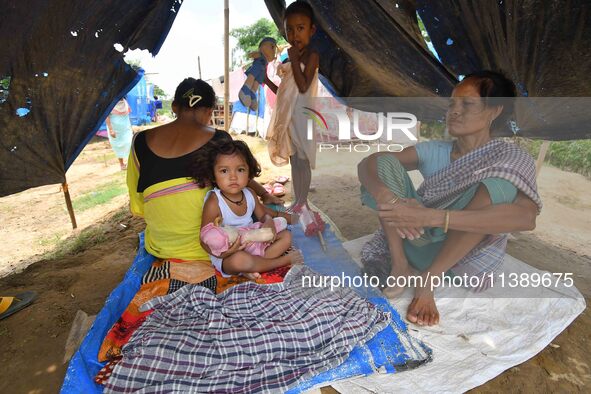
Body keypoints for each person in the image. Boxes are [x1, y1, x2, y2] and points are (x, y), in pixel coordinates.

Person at [98, 77, 284, 362]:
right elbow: (239, 180)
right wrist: (263, 197)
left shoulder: (139, 143)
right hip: (216, 250)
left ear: (174, 107)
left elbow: (139, 208)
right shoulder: (219, 139)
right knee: (270, 230)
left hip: (162, 248)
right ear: (210, 111)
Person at [358, 71, 542, 327]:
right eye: (452, 104)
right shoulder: (435, 150)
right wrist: (387, 197)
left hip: (457, 259)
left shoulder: (509, 158)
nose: (454, 111)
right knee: (383, 161)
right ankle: (399, 265)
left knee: (500, 186)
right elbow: (369, 164)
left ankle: (428, 281)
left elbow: (526, 217)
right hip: (411, 241)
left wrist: (432, 216)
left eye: (467, 104)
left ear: (495, 110)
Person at [192, 139, 303, 279]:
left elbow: (263, 216)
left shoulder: (250, 193)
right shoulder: (214, 201)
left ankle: (253, 267)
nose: (233, 177)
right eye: (224, 171)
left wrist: (268, 222)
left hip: (254, 243)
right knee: (240, 261)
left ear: (249, 171)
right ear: (213, 175)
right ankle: (280, 262)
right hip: (230, 253)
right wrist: (224, 253)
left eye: (240, 170)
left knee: (287, 236)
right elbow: (204, 239)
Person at [265, 1, 319, 211]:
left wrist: (295, 60)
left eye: (300, 28)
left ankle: (303, 201)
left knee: (303, 161)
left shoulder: (311, 56)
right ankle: (298, 200)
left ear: (311, 30)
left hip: (303, 117)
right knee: (295, 161)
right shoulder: (290, 58)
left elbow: (303, 87)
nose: (295, 35)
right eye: (290, 30)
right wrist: (266, 81)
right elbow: (285, 93)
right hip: (290, 117)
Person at [105, 97, 133, 170]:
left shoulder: (125, 102)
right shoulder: (110, 103)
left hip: (126, 129)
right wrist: (111, 130)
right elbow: (106, 116)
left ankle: (130, 162)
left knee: (129, 143)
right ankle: (122, 164)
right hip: (115, 130)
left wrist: (130, 127)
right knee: (117, 146)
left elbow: (127, 115)